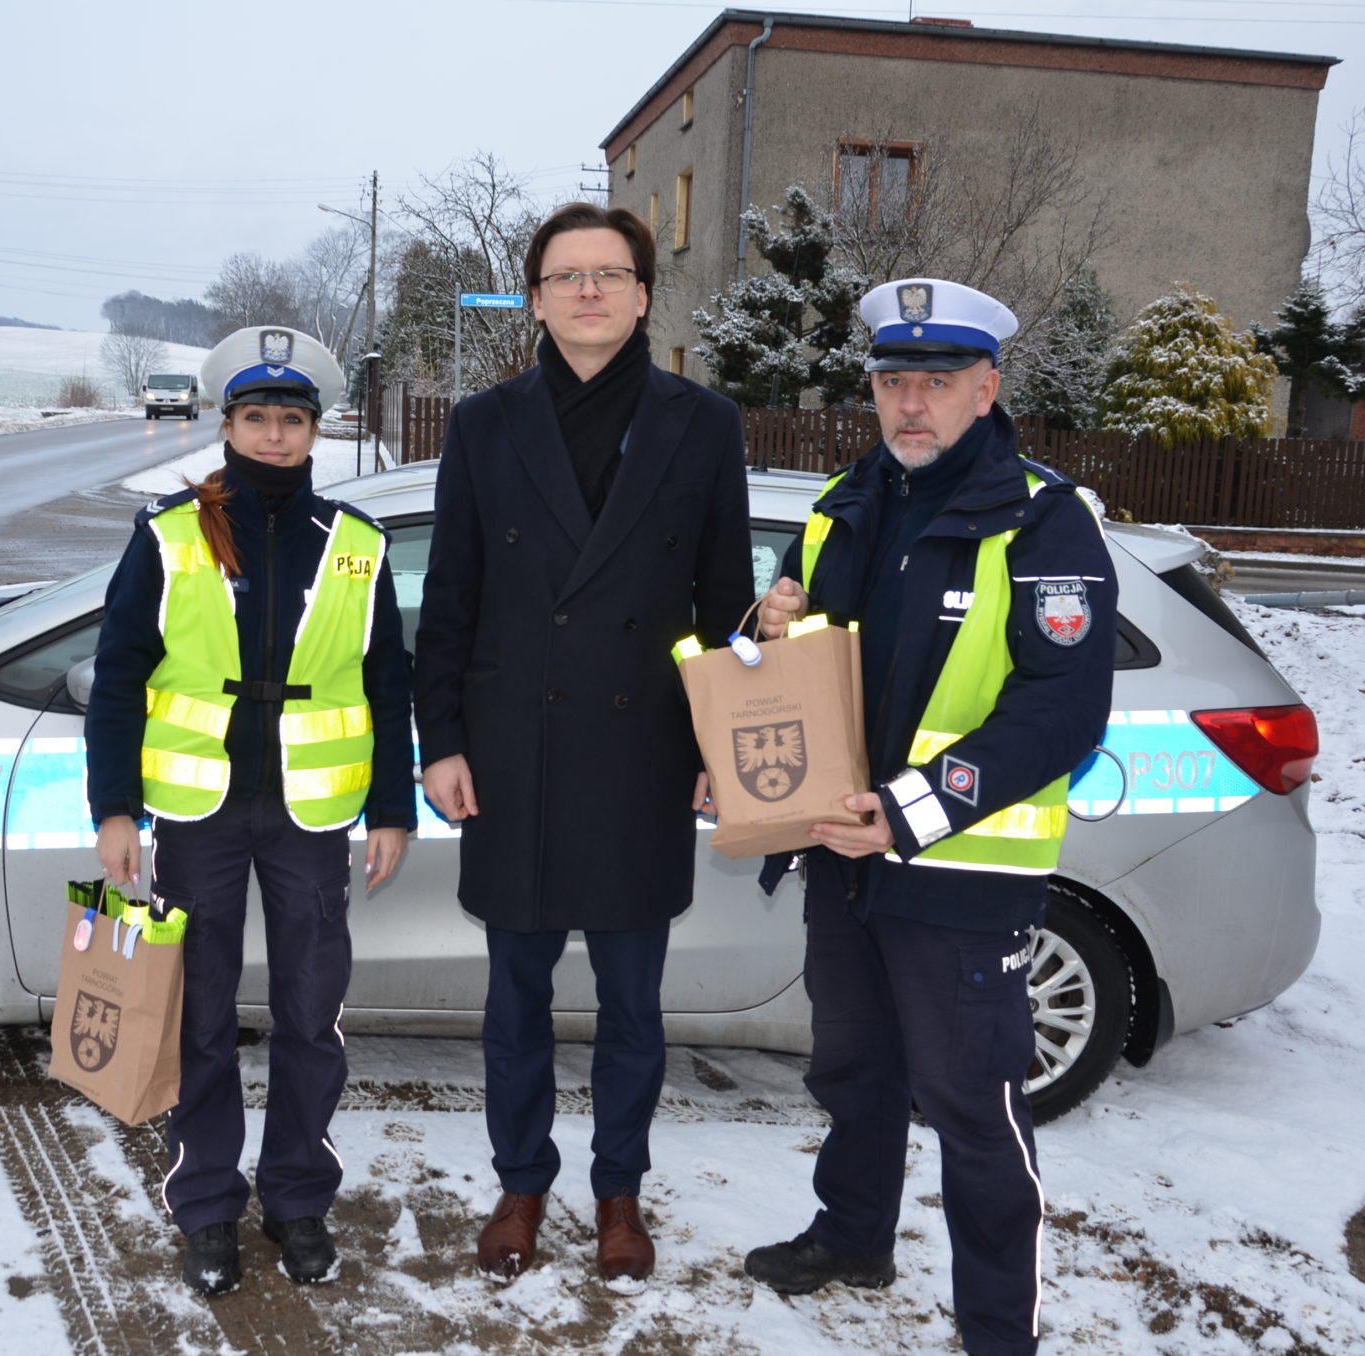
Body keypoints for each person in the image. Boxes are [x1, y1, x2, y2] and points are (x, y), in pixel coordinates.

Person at [743, 279, 1117, 1356]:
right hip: (840, 855)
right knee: (850, 1073)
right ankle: (853, 1236)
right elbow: (774, 659)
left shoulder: (1041, 519)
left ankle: (998, 1330)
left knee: (973, 1111)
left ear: (986, 387)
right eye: (893, 381)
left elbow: (1059, 710)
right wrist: (761, 627)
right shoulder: (841, 504)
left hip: (958, 875)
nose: (912, 403)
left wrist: (907, 811)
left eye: (937, 382)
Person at [412, 202, 756, 1289]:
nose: (589, 291)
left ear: (644, 295)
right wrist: (441, 743)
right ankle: (520, 1181)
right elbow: (451, 596)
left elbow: (722, 600)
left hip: (640, 754)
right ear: (536, 299)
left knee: (630, 1005)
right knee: (512, 996)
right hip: (512, 756)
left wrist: (722, 741)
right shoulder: (481, 423)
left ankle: (618, 1194)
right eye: (566, 275)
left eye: (610, 273)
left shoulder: (702, 425)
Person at [84, 325, 415, 1297]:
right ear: (227, 422)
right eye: (257, 416)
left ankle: (299, 1199)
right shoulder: (168, 533)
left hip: (312, 819)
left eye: (293, 419)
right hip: (198, 815)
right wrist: (114, 810)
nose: (275, 434)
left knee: (313, 1017)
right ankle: (207, 1208)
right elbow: (116, 681)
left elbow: (385, 683)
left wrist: (390, 808)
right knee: (201, 1018)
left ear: (317, 430)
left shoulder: (356, 546)